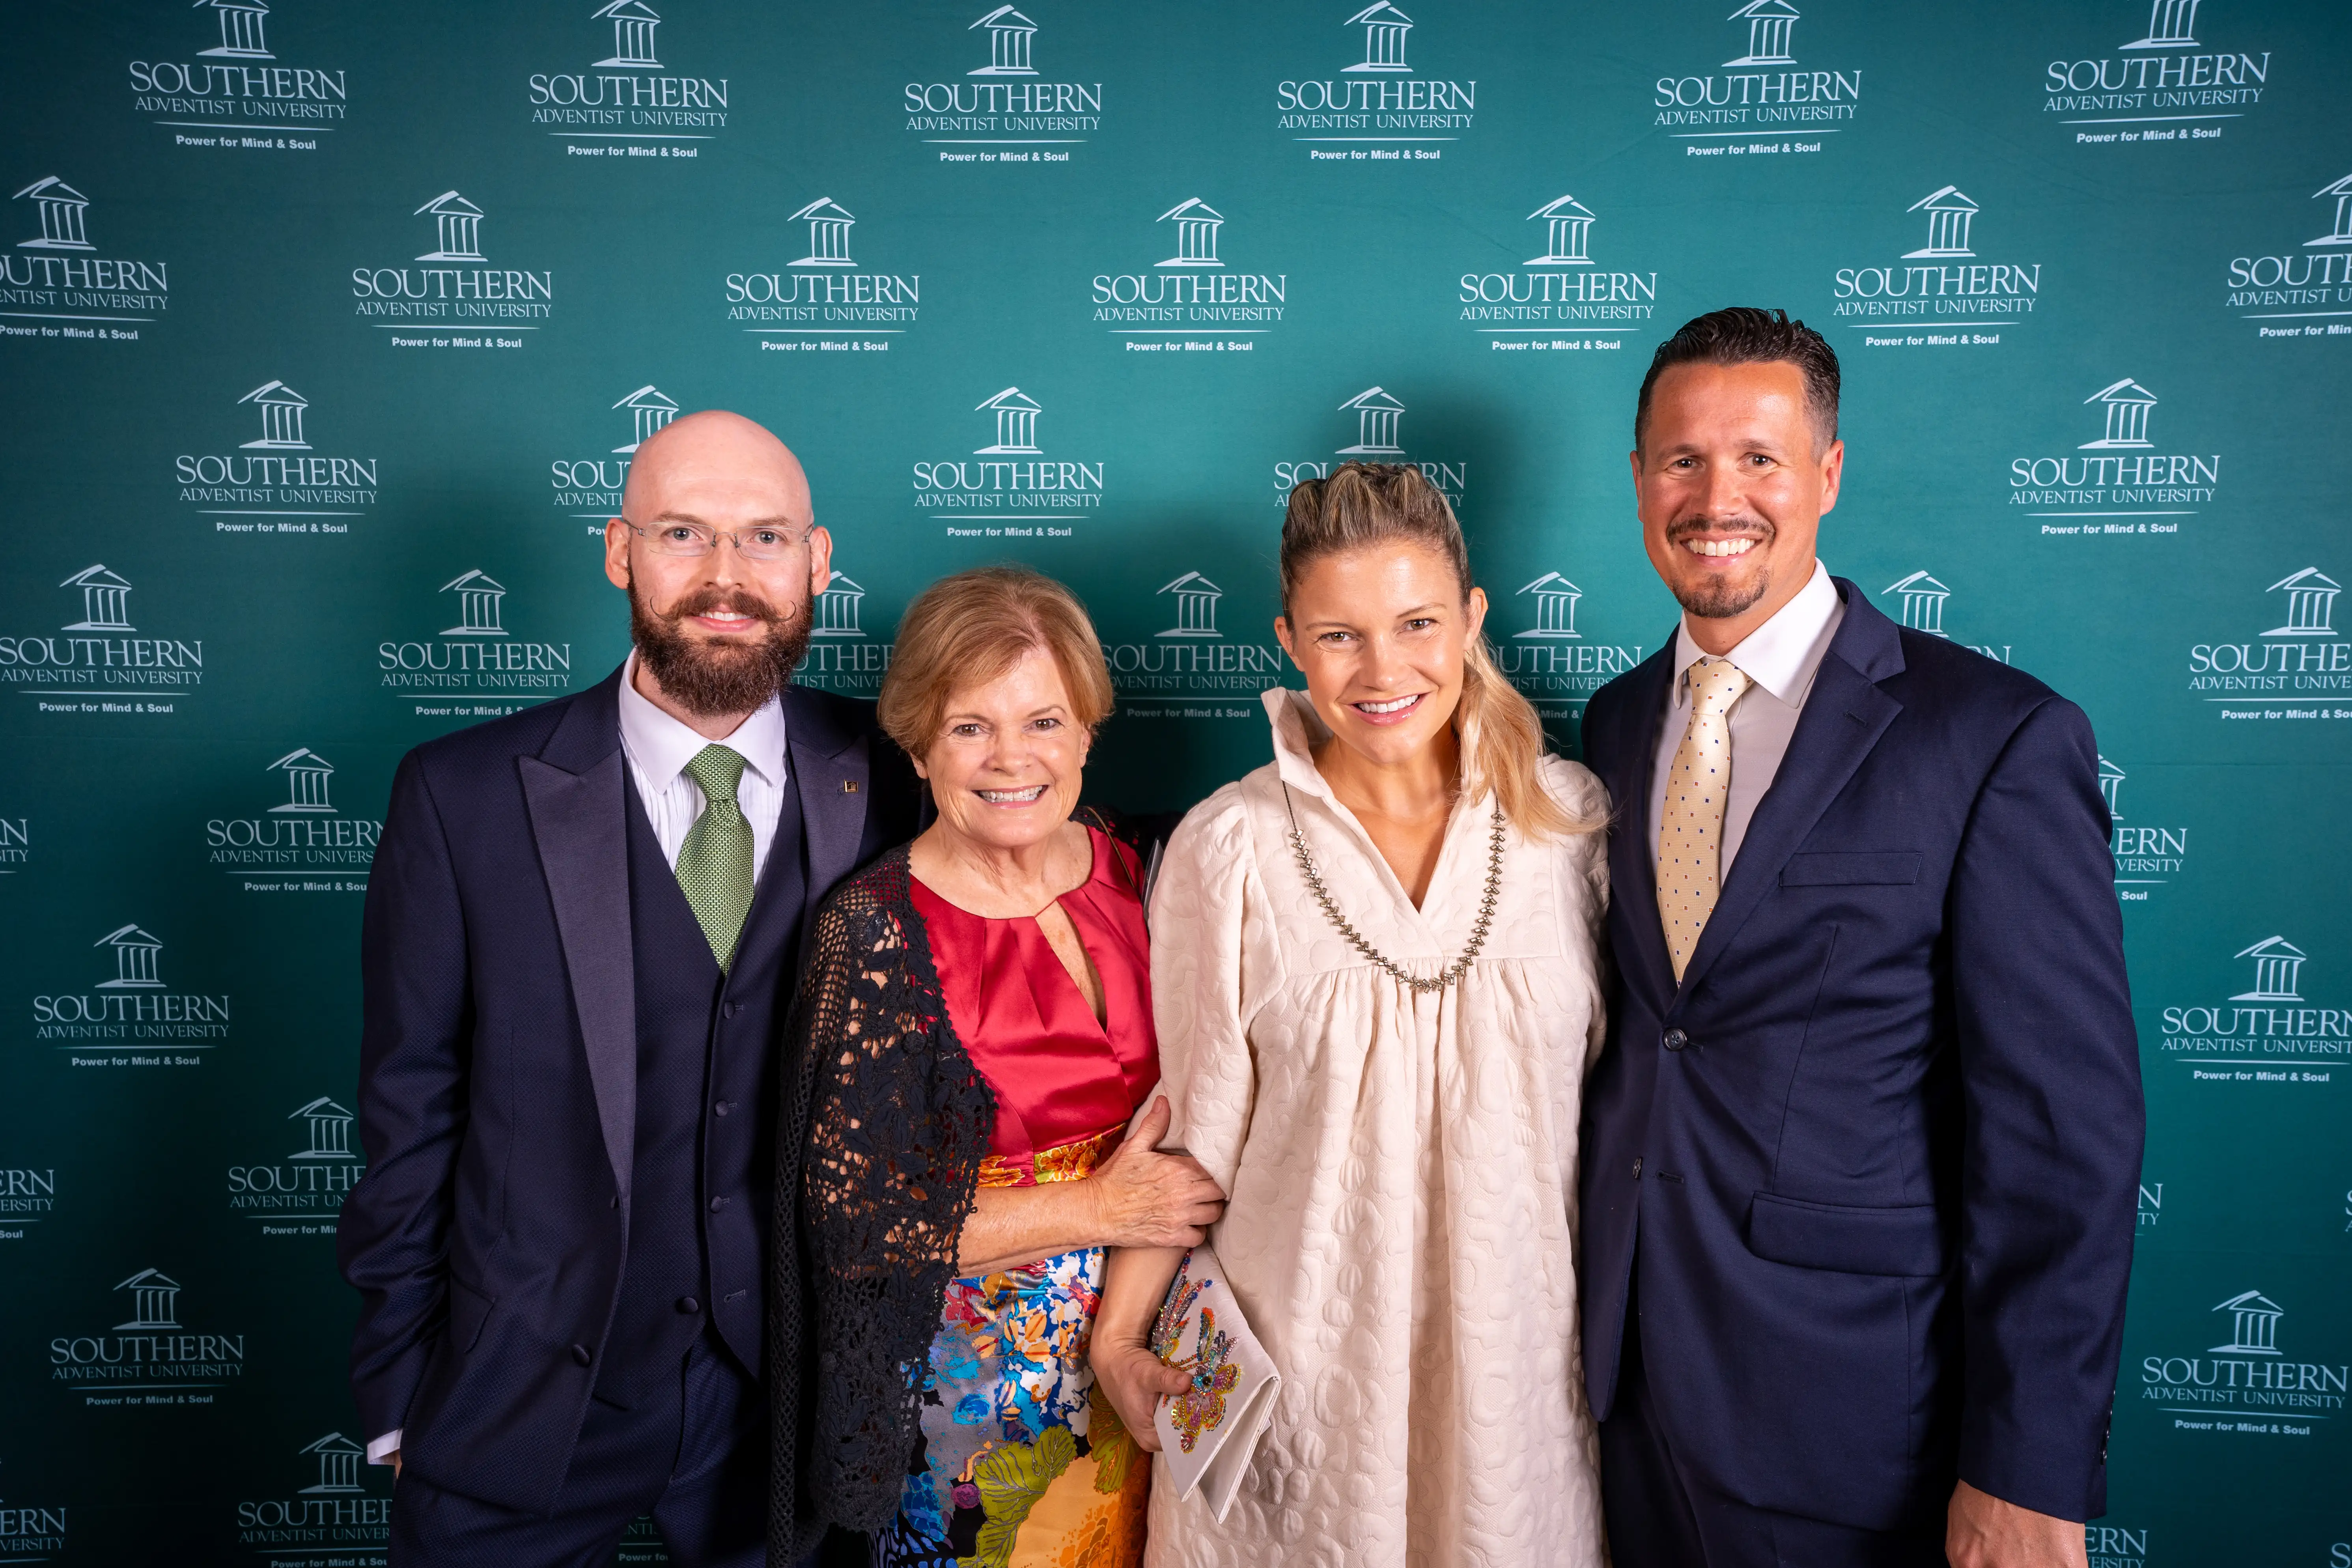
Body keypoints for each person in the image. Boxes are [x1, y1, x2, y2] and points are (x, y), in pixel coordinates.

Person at [1577, 308, 2144, 1568]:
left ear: (1827, 473)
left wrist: (2025, 1469)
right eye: (1682, 460)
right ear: (1637, 478)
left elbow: (2061, 1139)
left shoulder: (1991, 736)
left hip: (1853, 1430)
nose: (1716, 499)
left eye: (1759, 459)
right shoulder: (1611, 727)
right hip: (1618, 1404)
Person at [338, 411, 920, 1568]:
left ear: (816, 561)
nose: (725, 576)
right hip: (520, 1397)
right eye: (682, 533)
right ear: (620, 552)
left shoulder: (902, 777)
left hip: (795, 1404)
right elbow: (410, 1107)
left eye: (764, 538)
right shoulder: (461, 797)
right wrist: (399, 1390)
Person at [1089, 463, 1612, 1568]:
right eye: (1339, 636)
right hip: (1299, 1389)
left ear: (1470, 617)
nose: (1382, 670)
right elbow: (1195, 1133)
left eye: (1417, 623)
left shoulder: (1571, 825)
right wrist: (1120, 1335)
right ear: (1289, 640)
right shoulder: (1228, 846)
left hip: (1517, 1384)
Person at [776, 567, 1226, 1568]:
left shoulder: (1140, 863)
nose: (1012, 757)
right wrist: (1104, 1206)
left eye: (1045, 721)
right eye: (970, 727)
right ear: (918, 745)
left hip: (1165, 1349)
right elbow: (860, 1231)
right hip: (977, 1406)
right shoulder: (875, 930)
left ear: (1087, 731)